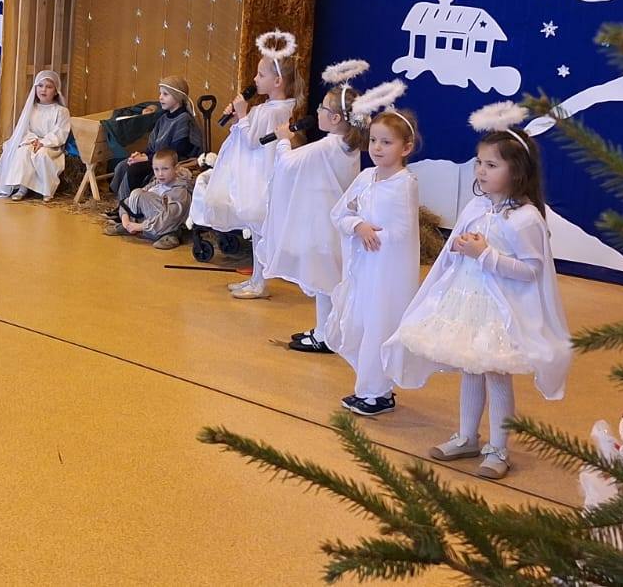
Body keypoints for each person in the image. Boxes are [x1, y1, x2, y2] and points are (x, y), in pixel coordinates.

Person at [383, 101, 572, 480]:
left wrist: (485, 254)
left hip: (500, 312)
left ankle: (499, 449)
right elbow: (459, 247)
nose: (481, 171)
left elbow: (531, 270)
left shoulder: (525, 219)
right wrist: (460, 246)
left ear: (517, 171)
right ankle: (467, 436)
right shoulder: (477, 206)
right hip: (468, 305)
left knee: (496, 375)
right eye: (479, 163)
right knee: (469, 369)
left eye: (491, 165)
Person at [322, 81, 422, 416]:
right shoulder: (366, 177)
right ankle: (368, 387)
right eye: (374, 140)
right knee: (362, 323)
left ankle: (377, 392)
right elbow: (340, 212)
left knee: (381, 324)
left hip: (386, 271)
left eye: (387, 142)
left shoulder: (404, 184)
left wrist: (374, 233)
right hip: (363, 268)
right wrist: (357, 226)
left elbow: (402, 232)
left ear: (406, 148)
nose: (377, 148)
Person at [243, 61, 366, 317]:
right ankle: (322, 330)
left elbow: (288, 165)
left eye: (322, 107)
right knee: (327, 281)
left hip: (323, 225)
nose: (317, 111)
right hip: (333, 223)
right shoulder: (348, 146)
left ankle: (325, 332)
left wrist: (284, 140)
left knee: (325, 283)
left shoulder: (327, 146)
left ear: (335, 118)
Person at [189, 30, 301, 286]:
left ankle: (260, 281)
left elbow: (254, 141)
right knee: (255, 228)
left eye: (261, 75)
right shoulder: (267, 108)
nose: (254, 79)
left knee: (260, 229)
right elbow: (245, 134)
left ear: (277, 81)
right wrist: (240, 118)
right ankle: (256, 278)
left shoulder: (275, 111)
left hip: (259, 176)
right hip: (251, 171)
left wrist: (242, 115)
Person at [108, 76, 203, 201]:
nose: (160, 97)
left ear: (177, 97)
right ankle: (122, 202)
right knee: (122, 165)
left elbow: (177, 151)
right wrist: (140, 155)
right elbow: (153, 146)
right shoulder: (163, 119)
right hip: (157, 157)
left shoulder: (183, 119)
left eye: (165, 94)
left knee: (135, 169)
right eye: (160, 93)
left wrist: (146, 158)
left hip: (172, 161)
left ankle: (131, 203)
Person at [0, 70, 72, 201]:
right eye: (40, 85)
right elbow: (25, 129)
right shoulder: (31, 108)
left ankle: (47, 190)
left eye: (49, 87)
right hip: (31, 141)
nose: (43, 90)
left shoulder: (61, 111)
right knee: (23, 152)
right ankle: (22, 188)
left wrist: (43, 143)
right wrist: (33, 140)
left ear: (56, 91)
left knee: (42, 155)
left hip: (51, 145)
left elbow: (61, 132)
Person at [105, 149, 194, 249]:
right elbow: (128, 200)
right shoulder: (156, 184)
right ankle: (131, 226)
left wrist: (141, 226)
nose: (160, 174)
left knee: (142, 195)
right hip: (145, 224)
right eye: (156, 169)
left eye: (165, 169)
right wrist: (126, 223)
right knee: (136, 193)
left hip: (165, 226)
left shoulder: (180, 191)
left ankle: (170, 235)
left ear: (176, 168)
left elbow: (170, 217)